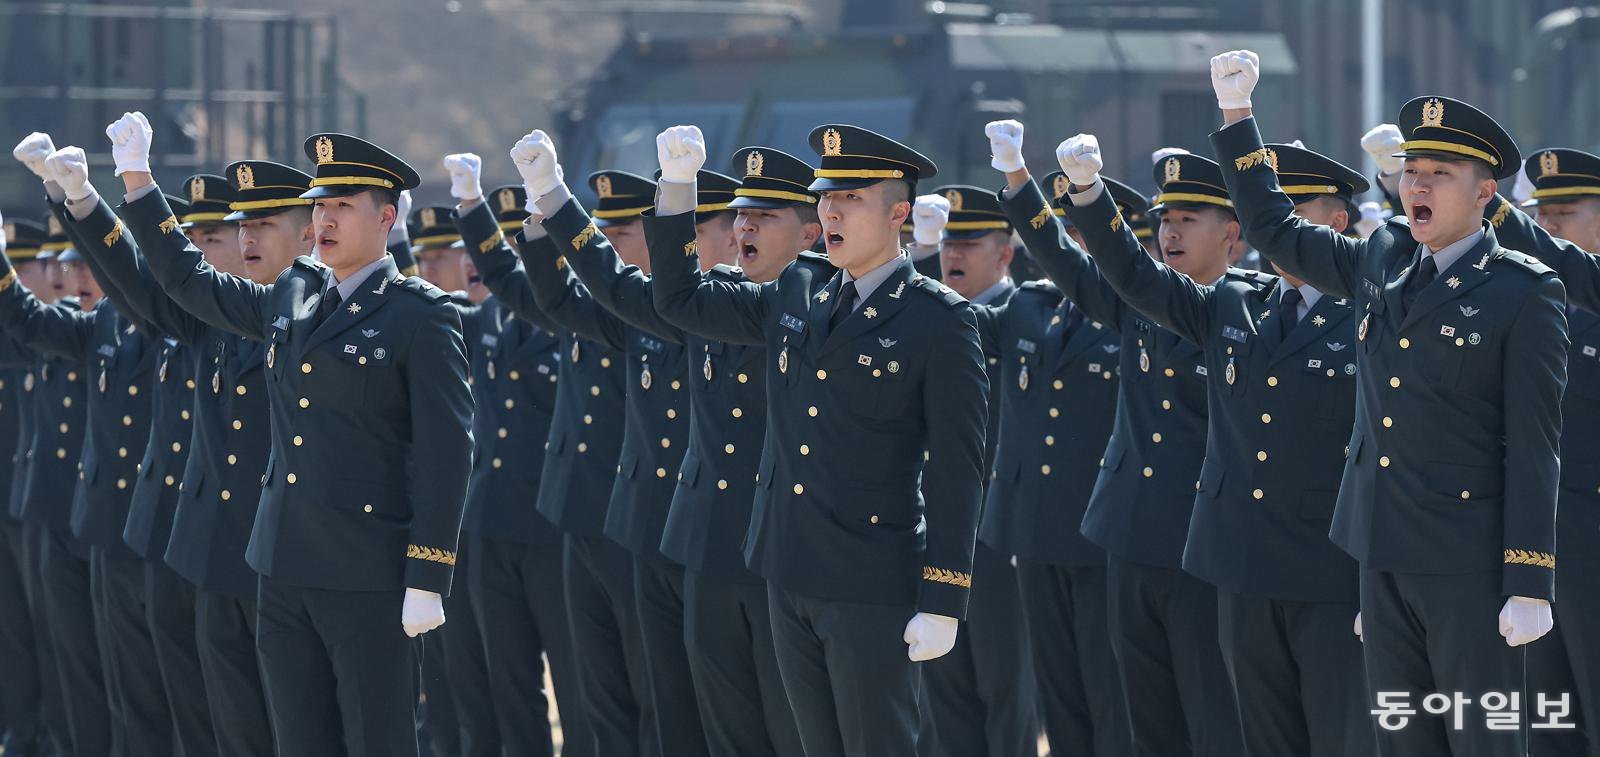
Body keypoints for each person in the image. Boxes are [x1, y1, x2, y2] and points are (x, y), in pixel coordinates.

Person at [1210, 50, 1565, 755]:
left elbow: (1534, 442)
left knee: (1480, 740)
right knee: (1404, 738)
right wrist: (1237, 118)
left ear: (1485, 190)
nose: (1417, 186)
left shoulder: (1525, 290)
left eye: (1439, 175)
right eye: (1412, 172)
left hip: (1468, 567)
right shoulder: (1380, 258)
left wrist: (1530, 579)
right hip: (1381, 559)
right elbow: (1275, 229)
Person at [104, 111, 473, 756]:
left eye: (342, 207)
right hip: (280, 564)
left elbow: (447, 453)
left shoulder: (420, 317)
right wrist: (138, 185)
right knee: (299, 741)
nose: (323, 221)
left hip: (367, 571)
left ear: (386, 218)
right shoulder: (291, 296)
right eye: (318, 206)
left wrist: (430, 572)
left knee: (375, 740)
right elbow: (189, 280)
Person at [635, 122, 987, 757]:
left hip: (869, 581)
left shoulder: (939, 319)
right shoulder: (798, 290)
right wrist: (677, 191)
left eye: (850, 199)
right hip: (785, 566)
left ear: (898, 212)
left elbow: (958, 470)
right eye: (826, 198)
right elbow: (680, 299)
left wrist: (945, 595)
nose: (831, 211)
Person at [1057, 131, 1375, 755]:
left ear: (1338, 224)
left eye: (1292, 212)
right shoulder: (1235, 302)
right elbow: (1135, 278)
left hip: (1331, 572)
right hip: (1242, 567)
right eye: (1266, 213)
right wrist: (1090, 196)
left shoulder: (1371, 311)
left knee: (1338, 739)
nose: (1276, 227)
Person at [987, 119, 1246, 755]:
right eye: (1166, 219)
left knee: (1212, 721)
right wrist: (1020, 180)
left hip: (1204, 547)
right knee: (1144, 721)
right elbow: (1072, 260)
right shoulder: (1138, 303)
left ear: (1234, 238)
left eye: (1190, 218)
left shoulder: (1250, 311)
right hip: (1127, 537)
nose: (1171, 231)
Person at [487, 140, 712, 756]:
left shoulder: (709, 311)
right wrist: (542, 210)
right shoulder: (627, 311)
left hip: (675, 532)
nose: (608, 241)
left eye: (622, 230)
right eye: (600, 229)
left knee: (659, 703)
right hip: (609, 518)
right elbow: (553, 300)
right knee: (600, 698)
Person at [913, 184, 1038, 757]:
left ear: (1005, 254)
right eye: (947, 244)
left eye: (969, 242)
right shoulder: (929, 316)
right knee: (944, 692)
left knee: (1006, 687)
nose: (953, 254)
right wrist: (916, 253)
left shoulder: (1025, 315)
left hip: (997, 533)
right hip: (936, 527)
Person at [0, 215, 46, 757]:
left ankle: (38, 728)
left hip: (39, 501)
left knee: (44, 631)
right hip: (15, 494)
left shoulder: (50, 326)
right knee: (12, 625)